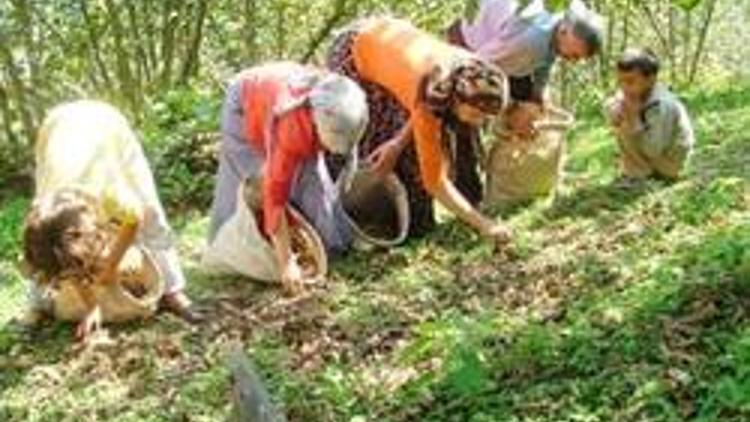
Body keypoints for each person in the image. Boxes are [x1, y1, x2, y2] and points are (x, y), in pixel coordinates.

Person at [22, 100, 201, 339]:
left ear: (96, 232)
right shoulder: (44, 216)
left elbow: (134, 219)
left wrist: (112, 264)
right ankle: (38, 303)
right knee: (57, 261)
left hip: (108, 127)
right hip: (54, 129)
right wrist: (91, 307)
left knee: (151, 212)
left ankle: (172, 291)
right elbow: (68, 261)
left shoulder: (112, 193)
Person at [326, 17, 511, 241]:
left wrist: (397, 143)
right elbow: (434, 181)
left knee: (399, 145)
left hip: (391, 48)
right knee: (361, 136)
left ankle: (413, 222)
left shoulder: (474, 71)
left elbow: (415, 102)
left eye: (485, 117)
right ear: (454, 99)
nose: (478, 122)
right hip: (357, 51)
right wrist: (485, 225)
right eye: (474, 114)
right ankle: (343, 218)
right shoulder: (436, 87)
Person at [207, 61, 368, 294]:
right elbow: (274, 193)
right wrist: (287, 262)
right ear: (318, 121)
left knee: (313, 179)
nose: (334, 149)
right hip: (246, 101)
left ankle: (332, 245)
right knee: (246, 181)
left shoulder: (345, 103)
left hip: (283, 92)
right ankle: (227, 250)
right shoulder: (291, 127)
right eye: (331, 143)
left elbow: (340, 148)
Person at [448, 0, 603, 106]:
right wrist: (509, 108)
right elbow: (482, 63)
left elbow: (548, 61)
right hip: (467, 48)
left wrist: (538, 92)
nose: (573, 61)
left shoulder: (557, 24)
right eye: (575, 55)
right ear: (564, 31)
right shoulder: (531, 43)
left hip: (495, 52)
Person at [605, 48, 695, 181]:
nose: (624, 87)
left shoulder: (662, 105)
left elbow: (653, 150)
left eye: (630, 81)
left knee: (625, 124)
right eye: (620, 82)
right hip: (656, 156)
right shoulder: (636, 94)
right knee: (620, 113)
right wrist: (614, 108)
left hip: (670, 163)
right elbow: (615, 100)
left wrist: (634, 120)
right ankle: (639, 171)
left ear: (651, 79)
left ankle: (640, 175)